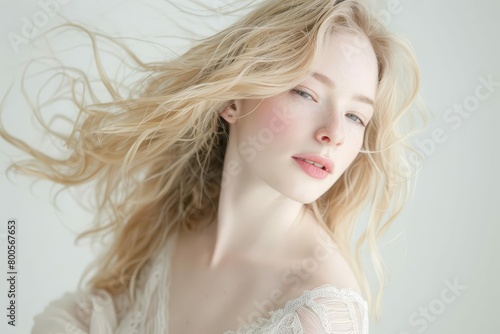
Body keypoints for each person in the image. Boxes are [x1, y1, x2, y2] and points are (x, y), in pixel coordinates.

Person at [0, 0, 426, 332]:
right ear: (233, 99)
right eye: (306, 93)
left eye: (356, 116)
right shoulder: (171, 232)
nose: (334, 132)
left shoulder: (320, 314)